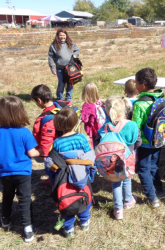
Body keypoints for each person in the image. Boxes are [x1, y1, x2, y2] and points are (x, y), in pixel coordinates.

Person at [44, 107, 95, 237]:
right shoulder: (82, 138)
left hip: (64, 179)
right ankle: (84, 222)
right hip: (82, 177)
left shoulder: (57, 143)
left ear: (58, 125)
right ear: (75, 122)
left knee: (67, 206)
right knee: (85, 199)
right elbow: (88, 155)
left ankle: (68, 229)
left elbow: (52, 161)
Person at [0, 96, 42, 242]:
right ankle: (28, 229)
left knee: (7, 195)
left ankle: (5, 220)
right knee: (24, 199)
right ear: (21, 112)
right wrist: (41, 151)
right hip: (23, 172)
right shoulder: (24, 132)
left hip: (4, 172)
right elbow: (32, 153)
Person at [98, 96, 141, 219]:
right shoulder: (131, 125)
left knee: (116, 182)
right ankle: (128, 200)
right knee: (127, 178)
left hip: (111, 160)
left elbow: (98, 143)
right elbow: (138, 142)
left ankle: (118, 209)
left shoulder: (104, 128)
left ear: (107, 111)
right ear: (124, 109)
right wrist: (131, 150)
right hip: (127, 159)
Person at [132, 67, 165, 208]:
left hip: (145, 143)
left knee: (143, 169)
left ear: (143, 85)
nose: (135, 85)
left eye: (136, 83)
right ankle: (159, 189)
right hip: (158, 141)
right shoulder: (161, 98)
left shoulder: (140, 104)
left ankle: (152, 198)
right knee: (153, 165)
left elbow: (136, 126)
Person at [48, 28, 80, 101]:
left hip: (70, 68)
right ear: (57, 36)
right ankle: (59, 98)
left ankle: (68, 99)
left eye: (64, 35)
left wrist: (75, 54)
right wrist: (53, 68)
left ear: (66, 35)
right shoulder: (53, 45)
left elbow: (77, 50)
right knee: (61, 83)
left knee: (70, 83)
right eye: (60, 35)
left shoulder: (70, 43)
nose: (62, 37)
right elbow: (50, 57)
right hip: (60, 69)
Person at [81, 82, 106, 148]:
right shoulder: (99, 102)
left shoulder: (87, 105)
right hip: (101, 127)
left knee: (96, 146)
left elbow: (84, 119)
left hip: (93, 129)